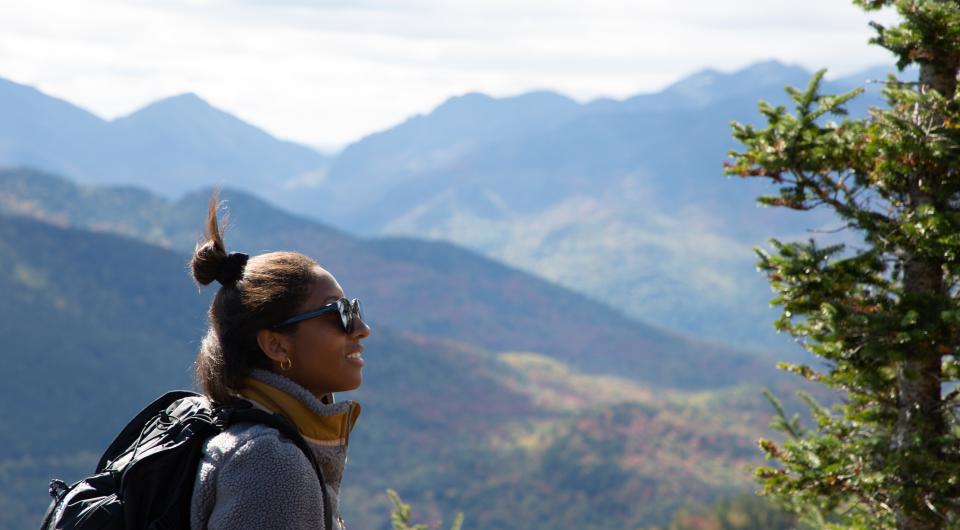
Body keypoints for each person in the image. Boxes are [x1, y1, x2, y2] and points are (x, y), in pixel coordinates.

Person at [187, 193, 370, 530]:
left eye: (354, 308)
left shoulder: (249, 437)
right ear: (276, 345)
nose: (361, 328)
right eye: (339, 313)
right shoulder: (271, 462)